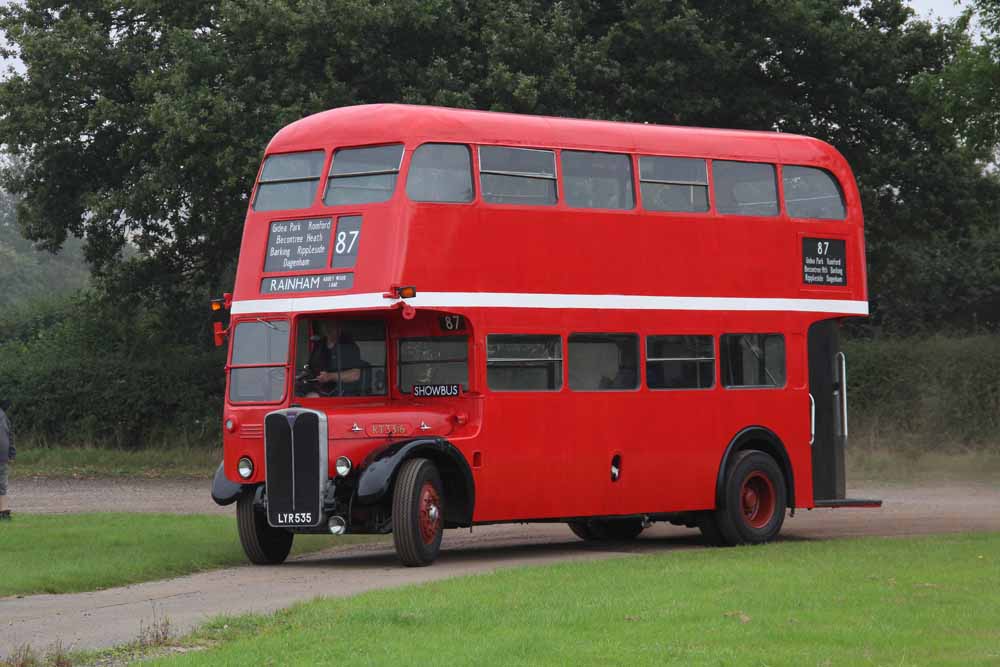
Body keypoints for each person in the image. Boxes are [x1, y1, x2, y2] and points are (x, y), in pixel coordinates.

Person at [302, 320, 364, 397]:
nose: (328, 328)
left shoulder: (349, 346)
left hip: (342, 394)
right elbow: (311, 367)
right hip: (317, 388)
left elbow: (355, 375)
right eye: (326, 324)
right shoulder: (319, 344)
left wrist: (330, 376)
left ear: (340, 327)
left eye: (332, 325)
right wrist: (305, 374)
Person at [0, 399, 15, 521]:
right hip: (3, 455)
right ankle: (4, 513)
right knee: (2, 485)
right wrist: (12, 453)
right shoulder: (4, 416)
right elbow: (10, 435)